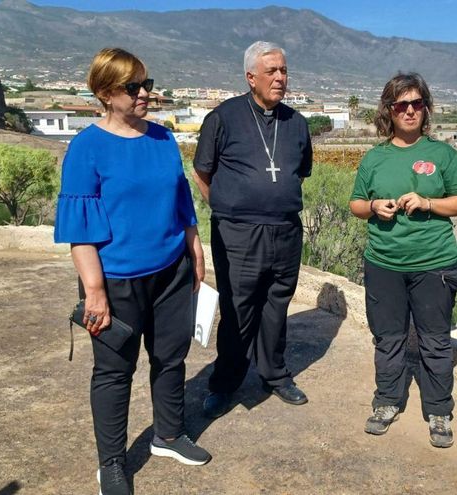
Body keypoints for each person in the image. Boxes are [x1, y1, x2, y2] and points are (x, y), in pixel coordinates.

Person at [54, 47, 211, 495]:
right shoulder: (86, 148)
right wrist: (94, 291)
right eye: (133, 86)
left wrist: (194, 248)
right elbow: (79, 230)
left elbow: (181, 199)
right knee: (113, 372)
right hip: (117, 281)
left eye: (148, 84)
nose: (145, 93)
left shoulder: (162, 139)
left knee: (171, 358)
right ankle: (112, 464)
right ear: (105, 93)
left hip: (170, 272)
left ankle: (168, 434)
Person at [349, 72, 457, 448]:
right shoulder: (374, 158)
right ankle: (387, 401)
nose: (409, 111)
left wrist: (428, 203)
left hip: (434, 264)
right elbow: (355, 204)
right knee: (388, 339)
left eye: (416, 104)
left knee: (435, 341)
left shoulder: (442, 154)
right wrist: (373, 207)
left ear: (426, 109)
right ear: (389, 110)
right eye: (401, 104)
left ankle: (438, 410)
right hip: (383, 264)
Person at [192, 41, 312, 418]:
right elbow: (202, 172)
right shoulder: (223, 118)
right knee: (238, 309)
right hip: (238, 234)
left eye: (284, 71)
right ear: (250, 77)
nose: (280, 78)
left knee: (277, 305)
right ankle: (224, 383)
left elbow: (299, 173)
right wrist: (228, 210)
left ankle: (274, 375)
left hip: (286, 232)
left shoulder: (296, 123)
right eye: (271, 71)